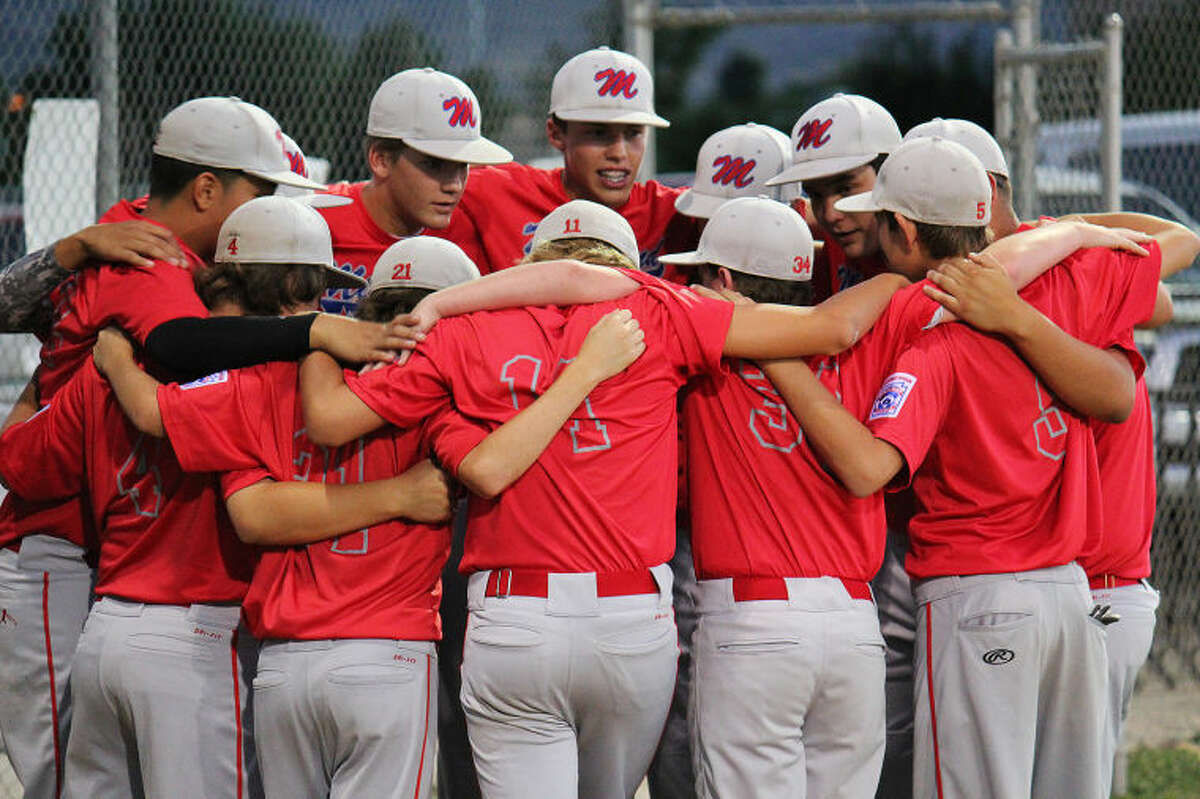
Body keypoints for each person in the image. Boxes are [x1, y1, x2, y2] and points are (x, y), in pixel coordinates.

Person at [298, 195, 914, 799]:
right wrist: (906, 275)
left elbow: (328, 424)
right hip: (633, 623)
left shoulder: (465, 331)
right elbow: (834, 328)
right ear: (622, 268)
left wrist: (311, 329)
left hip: (514, 620)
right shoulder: (661, 308)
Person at [759, 136, 1166, 799]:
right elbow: (1121, 387)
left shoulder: (929, 336)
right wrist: (1077, 232)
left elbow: (869, 468)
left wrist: (780, 367)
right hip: (1071, 596)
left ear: (907, 231)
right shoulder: (1064, 286)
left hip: (979, 597)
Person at [432, 46, 700, 276]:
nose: (619, 152)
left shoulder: (678, 214)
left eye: (633, 134)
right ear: (556, 134)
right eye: (598, 133)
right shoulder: (495, 193)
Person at [316, 67, 512, 315]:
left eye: (462, 165)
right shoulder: (319, 222)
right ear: (381, 160)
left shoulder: (478, 226)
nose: (454, 185)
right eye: (433, 164)